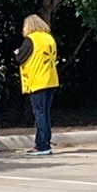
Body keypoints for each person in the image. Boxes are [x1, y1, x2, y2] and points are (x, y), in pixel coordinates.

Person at [13, 13, 59, 156]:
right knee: (45, 113)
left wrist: (17, 53)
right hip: (51, 79)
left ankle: (42, 145)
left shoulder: (31, 40)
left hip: (37, 80)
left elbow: (21, 58)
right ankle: (43, 142)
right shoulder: (49, 38)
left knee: (39, 114)